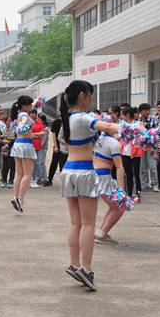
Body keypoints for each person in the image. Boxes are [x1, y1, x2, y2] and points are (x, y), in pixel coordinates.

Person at [59, 80, 120, 291]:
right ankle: (85, 268)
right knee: (87, 224)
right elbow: (109, 127)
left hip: (68, 171)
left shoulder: (67, 117)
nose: (92, 98)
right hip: (85, 171)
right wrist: (133, 130)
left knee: (75, 222)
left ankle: (74, 264)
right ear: (83, 95)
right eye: (91, 94)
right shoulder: (84, 117)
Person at [93, 122, 126, 243]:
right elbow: (119, 167)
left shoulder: (101, 138)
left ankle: (101, 232)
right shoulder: (113, 143)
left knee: (113, 207)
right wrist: (122, 190)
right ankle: (101, 234)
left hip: (97, 175)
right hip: (103, 177)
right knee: (120, 207)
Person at [9, 96, 41, 211]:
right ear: (24, 105)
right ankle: (20, 199)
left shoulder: (19, 112)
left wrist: (37, 100)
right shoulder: (24, 115)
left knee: (19, 174)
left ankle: (16, 196)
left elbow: (31, 107)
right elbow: (24, 119)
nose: (31, 107)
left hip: (18, 144)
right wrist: (22, 124)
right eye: (29, 104)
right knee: (28, 174)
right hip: (26, 145)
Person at [120, 107, 143, 203]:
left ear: (127, 115)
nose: (120, 116)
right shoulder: (122, 125)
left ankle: (137, 194)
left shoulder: (137, 124)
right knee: (128, 173)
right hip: (125, 152)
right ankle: (129, 194)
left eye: (122, 114)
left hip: (135, 152)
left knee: (136, 173)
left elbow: (143, 134)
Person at [138, 103, 159, 192]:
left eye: (148, 110)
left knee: (152, 166)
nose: (147, 112)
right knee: (143, 168)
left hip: (150, 146)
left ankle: (155, 185)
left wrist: (154, 147)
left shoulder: (153, 121)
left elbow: (156, 134)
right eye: (145, 110)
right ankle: (145, 185)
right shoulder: (137, 122)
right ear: (140, 111)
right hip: (140, 147)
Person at [47, 111, 67, 186]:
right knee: (54, 162)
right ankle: (50, 179)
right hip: (58, 144)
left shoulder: (68, 121)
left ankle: (64, 180)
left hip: (66, 147)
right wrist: (55, 145)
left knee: (63, 163)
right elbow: (54, 134)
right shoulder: (56, 122)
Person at [29, 109, 45, 188]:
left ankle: (34, 180)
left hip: (38, 145)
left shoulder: (38, 122)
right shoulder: (28, 122)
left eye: (34, 113)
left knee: (37, 164)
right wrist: (38, 134)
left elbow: (43, 132)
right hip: (30, 145)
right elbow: (28, 135)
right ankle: (29, 180)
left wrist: (34, 134)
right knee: (31, 164)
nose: (33, 115)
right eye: (31, 113)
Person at [1, 115, 16, 189]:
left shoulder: (15, 130)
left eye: (10, 121)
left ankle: (11, 181)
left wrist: (7, 146)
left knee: (13, 166)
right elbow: (0, 140)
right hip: (4, 151)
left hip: (13, 150)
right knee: (5, 166)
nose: (9, 122)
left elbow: (14, 140)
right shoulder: (2, 130)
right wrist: (4, 150)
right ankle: (4, 180)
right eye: (8, 121)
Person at [36, 114, 50, 186]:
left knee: (41, 163)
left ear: (43, 121)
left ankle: (44, 178)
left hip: (42, 148)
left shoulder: (46, 129)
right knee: (37, 163)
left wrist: (41, 145)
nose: (38, 121)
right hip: (38, 147)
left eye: (40, 120)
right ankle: (39, 177)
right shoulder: (39, 128)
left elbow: (45, 140)